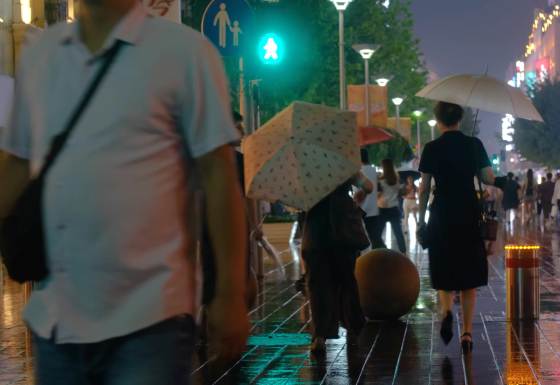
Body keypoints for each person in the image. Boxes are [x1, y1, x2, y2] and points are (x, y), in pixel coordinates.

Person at [0, 2, 249, 383]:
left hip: (150, 318)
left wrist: (230, 292)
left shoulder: (182, 52)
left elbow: (218, 174)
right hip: (57, 318)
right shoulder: (42, 56)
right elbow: (17, 163)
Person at [417, 102, 497, 355]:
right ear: (460, 119)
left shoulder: (431, 148)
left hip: (441, 213)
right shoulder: (474, 145)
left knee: (443, 266)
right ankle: (467, 333)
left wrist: (420, 218)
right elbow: (488, 179)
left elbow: (424, 187)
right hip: (468, 212)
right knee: (468, 275)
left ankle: (447, 310)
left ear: (439, 120)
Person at [303, 173, 372, 352]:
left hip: (316, 228)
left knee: (317, 283)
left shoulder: (305, 169)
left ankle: (319, 335)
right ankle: (353, 326)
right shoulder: (343, 164)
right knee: (346, 279)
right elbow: (369, 186)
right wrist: (357, 198)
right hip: (342, 228)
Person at [378, 159, 407, 253]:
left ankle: (382, 251)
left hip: (382, 209)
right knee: (398, 233)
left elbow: (378, 195)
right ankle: (404, 252)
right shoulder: (397, 179)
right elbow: (402, 192)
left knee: (377, 234)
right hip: (394, 209)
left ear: (383, 167)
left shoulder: (380, 180)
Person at [357, 149, 384, 249]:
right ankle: (378, 258)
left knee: (357, 238)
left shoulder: (358, 170)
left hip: (359, 208)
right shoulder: (373, 170)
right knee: (375, 238)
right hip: (373, 208)